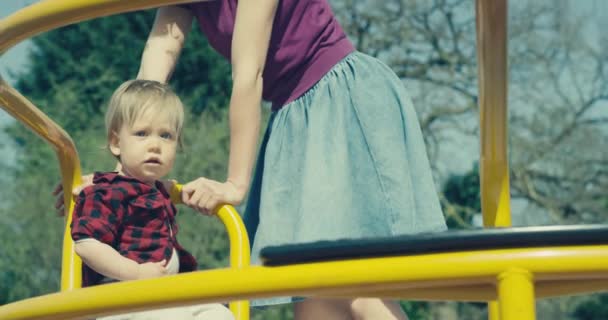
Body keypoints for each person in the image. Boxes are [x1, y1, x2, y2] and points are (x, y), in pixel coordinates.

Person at [59, 1, 448, 319]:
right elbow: (152, 75)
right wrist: (119, 180)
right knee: (309, 293)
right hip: (294, 113)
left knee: (352, 282)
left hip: (338, 97)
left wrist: (235, 185)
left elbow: (248, 74)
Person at [70, 79, 234, 320]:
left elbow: (158, 189)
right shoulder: (107, 192)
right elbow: (86, 244)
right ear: (116, 143)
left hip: (160, 294)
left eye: (166, 135)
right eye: (142, 133)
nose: (155, 145)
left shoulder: (156, 190)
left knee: (219, 314)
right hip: (119, 297)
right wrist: (135, 272)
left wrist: (173, 190)